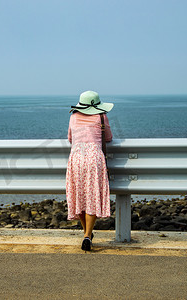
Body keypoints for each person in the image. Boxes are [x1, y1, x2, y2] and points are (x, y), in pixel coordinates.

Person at [66, 90, 113, 251]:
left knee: (79, 194)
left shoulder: (73, 117)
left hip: (77, 157)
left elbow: (70, 138)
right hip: (94, 158)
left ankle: (86, 233)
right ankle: (87, 235)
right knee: (92, 196)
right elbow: (108, 138)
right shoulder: (101, 116)